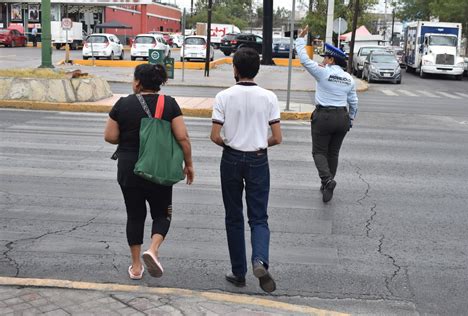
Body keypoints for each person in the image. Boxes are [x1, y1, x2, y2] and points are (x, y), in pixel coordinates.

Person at [104, 63, 194, 280]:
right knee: (162, 213)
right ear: (159, 83)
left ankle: (136, 267)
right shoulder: (169, 104)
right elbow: (182, 137)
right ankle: (153, 250)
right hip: (158, 167)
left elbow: (110, 136)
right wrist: (188, 164)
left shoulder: (123, 104)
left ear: (137, 82)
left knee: (134, 215)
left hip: (129, 167)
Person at [210, 47, 282, 293]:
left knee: (233, 216)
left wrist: (232, 143)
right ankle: (259, 261)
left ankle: (238, 272)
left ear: (235, 69)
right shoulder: (269, 97)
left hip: (231, 159)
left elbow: (215, 136)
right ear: (257, 70)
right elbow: (277, 137)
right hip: (258, 159)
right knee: (259, 217)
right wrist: (259, 143)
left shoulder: (224, 96)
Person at [295, 25, 358, 203]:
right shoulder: (349, 79)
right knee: (333, 153)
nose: (323, 60)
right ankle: (326, 185)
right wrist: (351, 119)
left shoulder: (323, 73)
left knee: (319, 152)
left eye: (325, 58)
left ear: (331, 60)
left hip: (324, 116)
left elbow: (304, 60)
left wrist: (300, 39)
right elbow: (354, 102)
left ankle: (327, 180)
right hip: (342, 117)